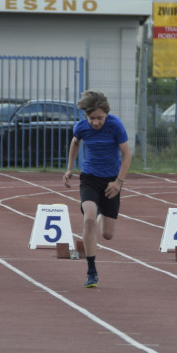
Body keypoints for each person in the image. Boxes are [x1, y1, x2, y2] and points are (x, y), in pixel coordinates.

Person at [63, 90, 131, 288]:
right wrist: (69, 169)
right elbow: (75, 143)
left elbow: (127, 155)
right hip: (90, 178)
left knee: (108, 235)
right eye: (92, 118)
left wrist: (119, 182)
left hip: (111, 181)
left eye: (100, 118)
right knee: (89, 218)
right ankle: (91, 271)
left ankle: (102, 211)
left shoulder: (115, 125)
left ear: (106, 115)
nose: (96, 122)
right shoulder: (81, 127)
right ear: (86, 116)